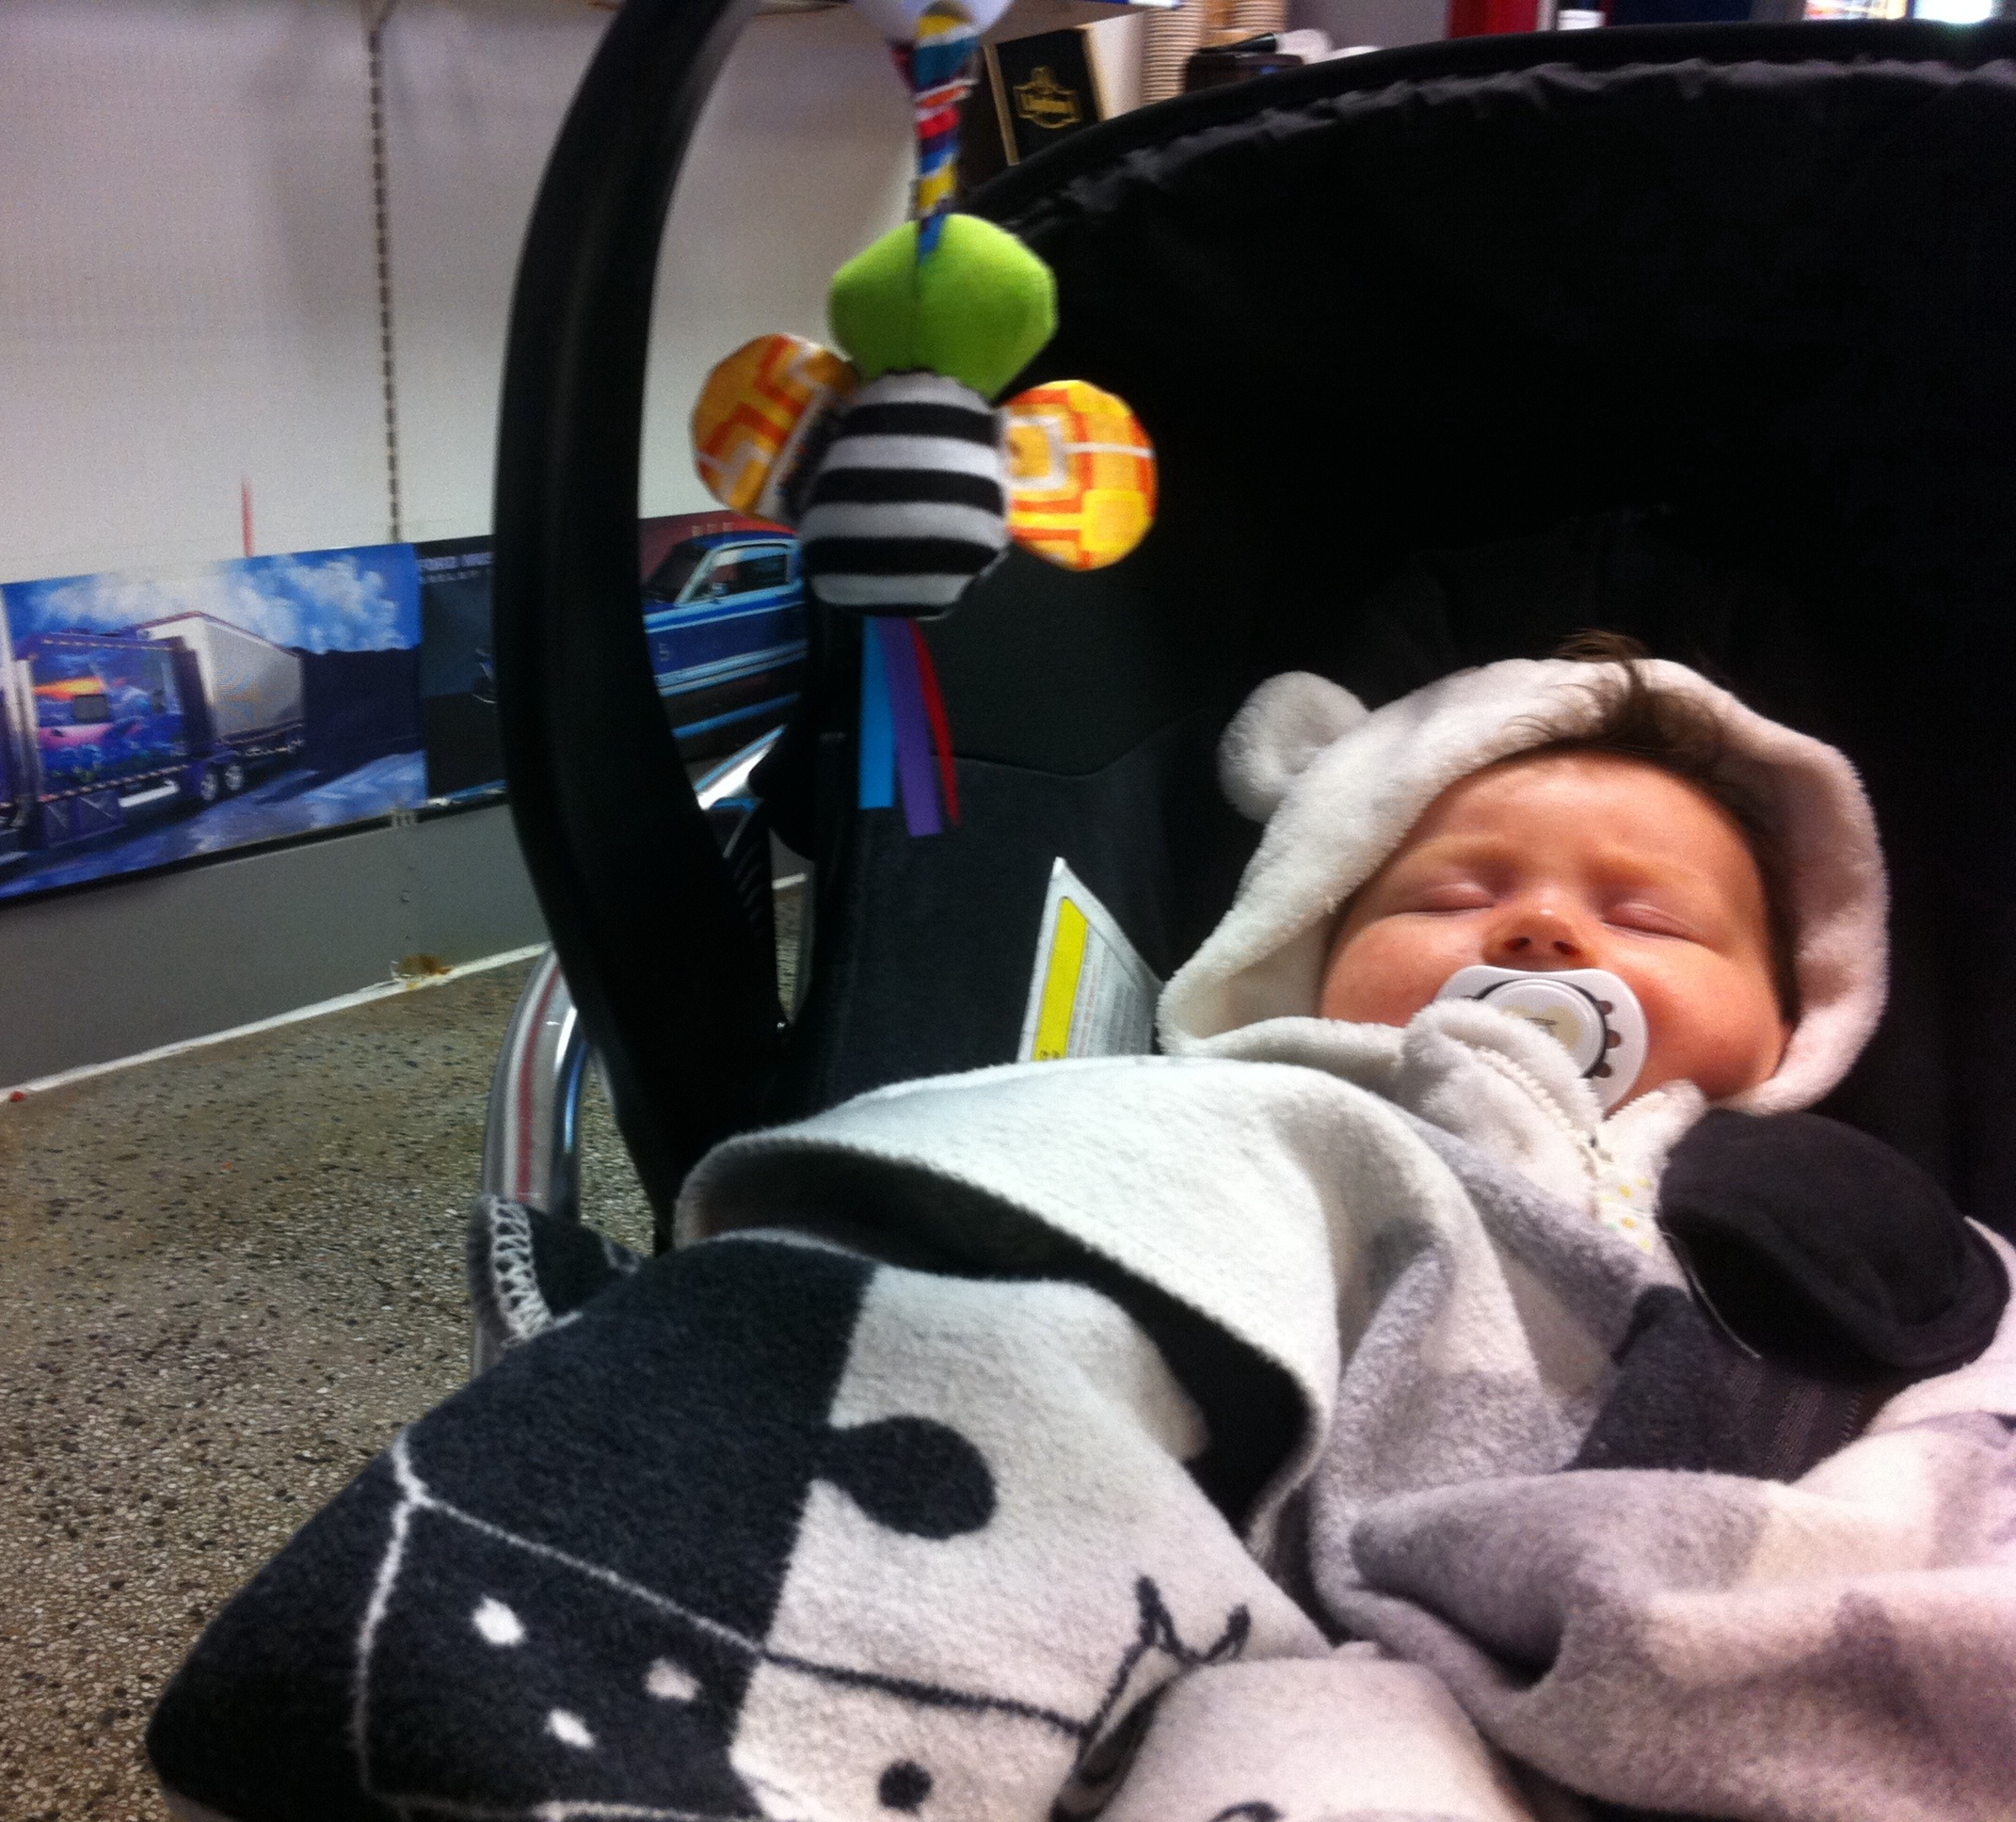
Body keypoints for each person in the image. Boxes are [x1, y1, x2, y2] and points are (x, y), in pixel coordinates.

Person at [149, 643, 2016, 1822]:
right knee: (1058, 1263)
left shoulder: (1866, 1216)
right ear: (1307, 945)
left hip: (1723, 1600)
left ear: (1797, 1017)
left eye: (1649, 917)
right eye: (1457, 891)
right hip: (1251, 1623)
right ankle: (632, 1671)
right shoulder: (1286, 1105)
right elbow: (1119, 1192)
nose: (1540, 931)